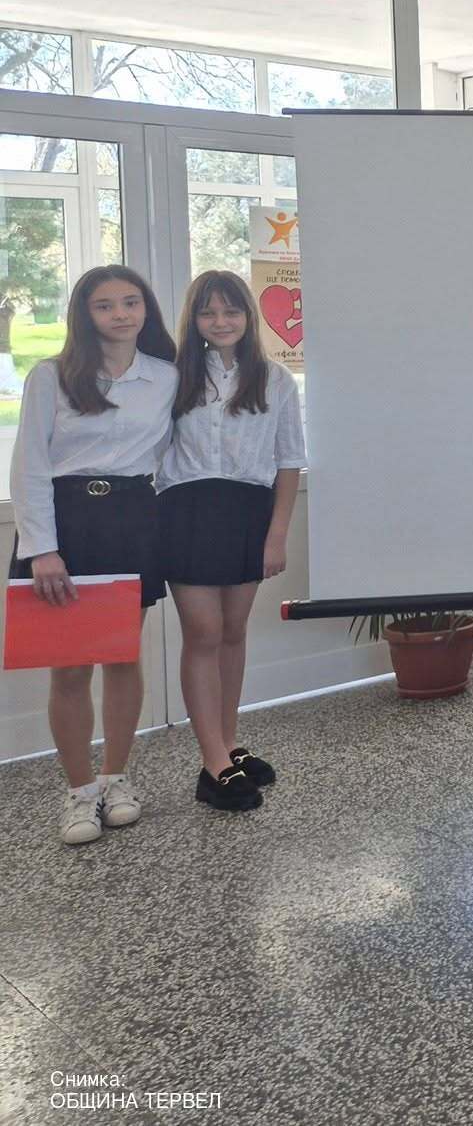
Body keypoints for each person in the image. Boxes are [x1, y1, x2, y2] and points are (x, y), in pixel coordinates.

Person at [9, 267, 177, 845]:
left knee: (122, 656)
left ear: (146, 309)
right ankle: (79, 791)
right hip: (67, 522)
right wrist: (42, 550)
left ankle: (115, 779)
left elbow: (174, 452)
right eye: (105, 305)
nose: (121, 314)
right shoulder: (52, 376)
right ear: (85, 314)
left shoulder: (165, 377)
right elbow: (29, 466)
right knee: (71, 664)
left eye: (131, 302)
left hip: (132, 518)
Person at [159, 271, 306, 813]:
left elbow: (289, 461)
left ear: (248, 315)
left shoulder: (275, 379)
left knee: (233, 632)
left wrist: (276, 535)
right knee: (203, 632)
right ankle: (213, 762)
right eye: (208, 312)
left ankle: (227, 743)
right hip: (187, 511)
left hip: (248, 512)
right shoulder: (172, 377)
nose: (220, 322)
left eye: (231, 311)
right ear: (193, 319)